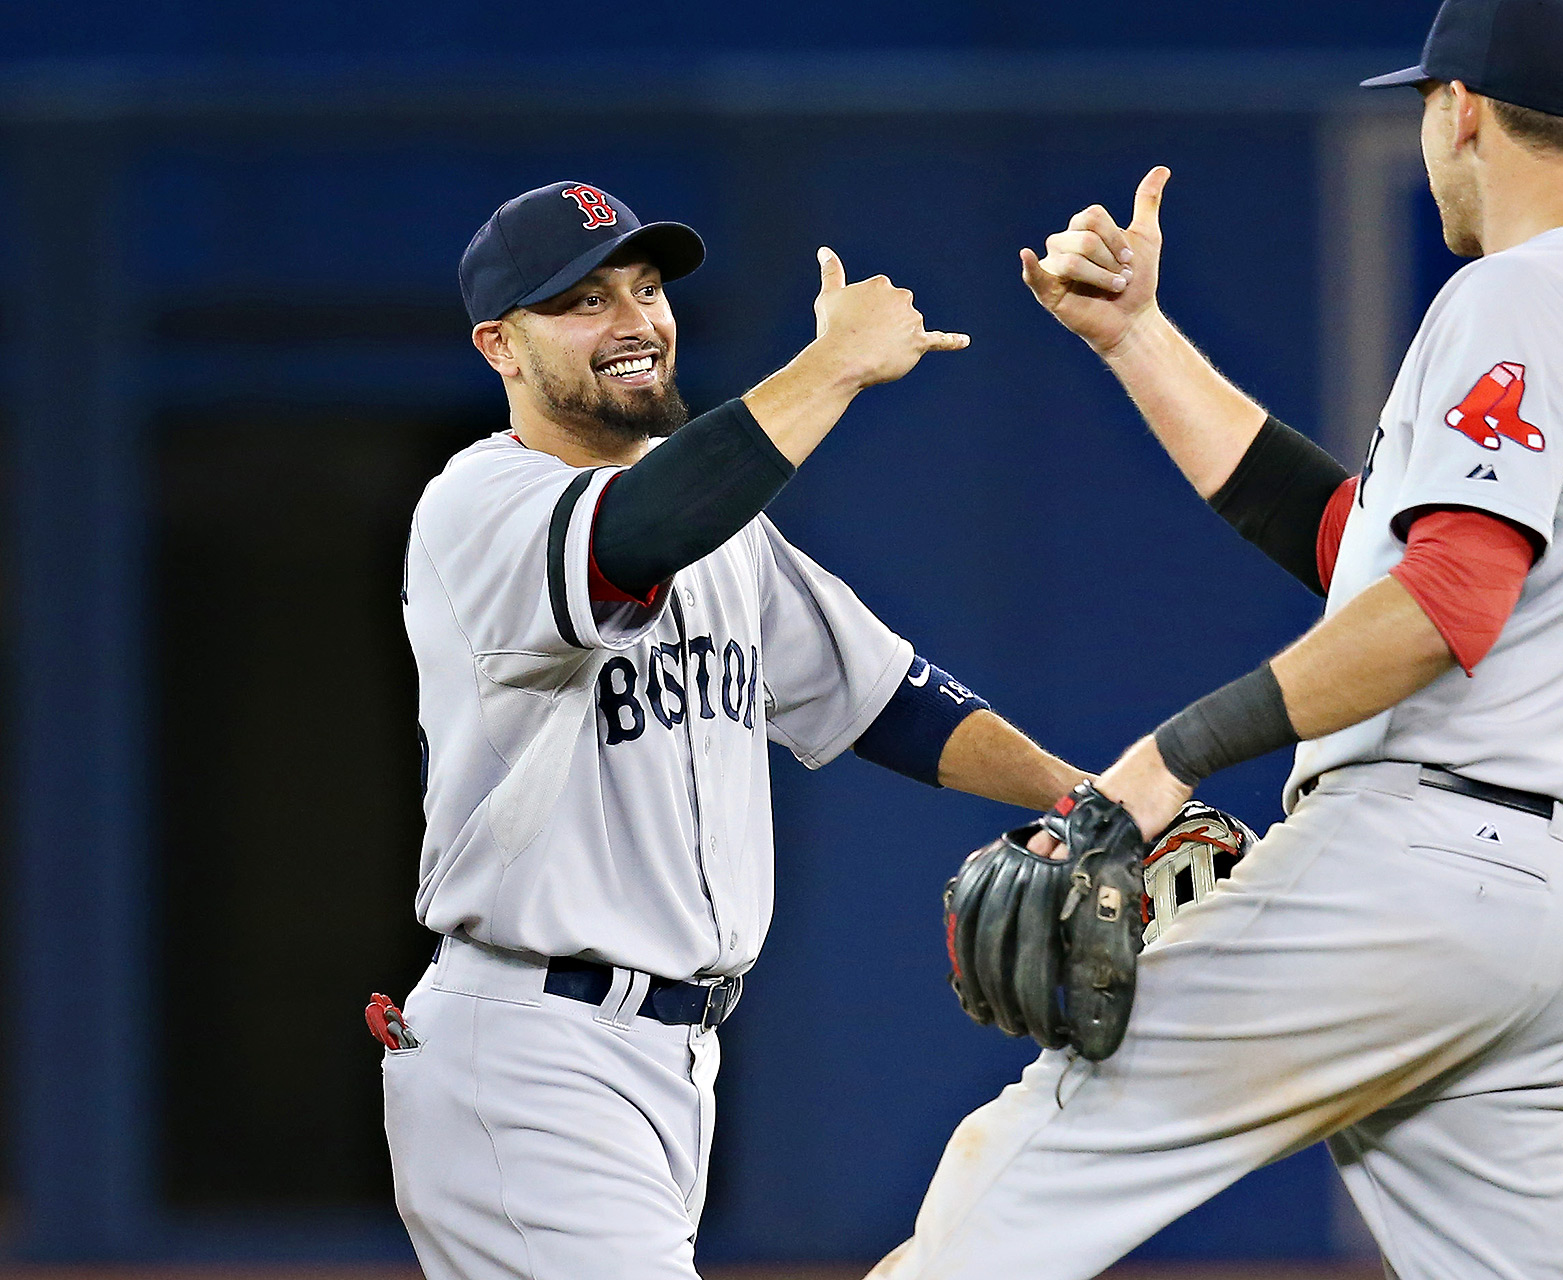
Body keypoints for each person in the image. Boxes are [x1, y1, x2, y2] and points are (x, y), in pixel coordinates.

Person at [873, 0, 1563, 1275]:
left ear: (1459, 109)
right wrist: (1136, 338)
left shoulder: (1519, 292)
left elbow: (1441, 602)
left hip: (1424, 865)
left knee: (1028, 1168)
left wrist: (1173, 749)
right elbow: (1360, 544)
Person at [379, 180, 1084, 1280]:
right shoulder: (480, 504)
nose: (633, 319)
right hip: (525, 1049)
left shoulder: (720, 525)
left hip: (671, 1057)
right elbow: (637, 531)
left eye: (645, 286)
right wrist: (834, 365)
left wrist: (1087, 796)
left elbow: (883, 694)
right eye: (580, 300)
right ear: (498, 347)